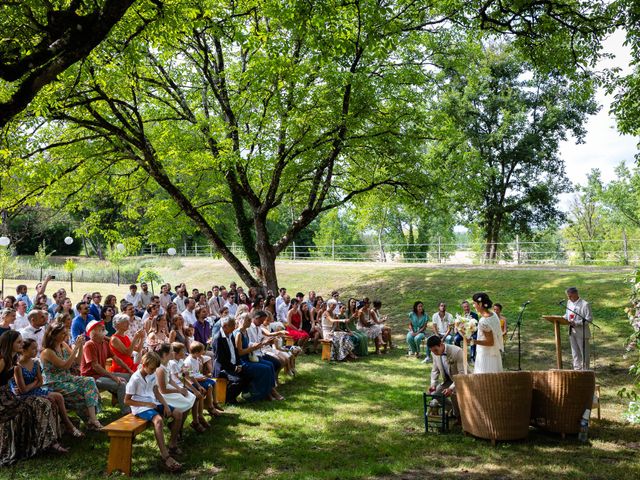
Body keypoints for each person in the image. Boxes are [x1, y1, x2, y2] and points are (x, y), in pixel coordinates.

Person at [0, 331, 67, 465]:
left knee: (45, 403)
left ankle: (46, 443)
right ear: (9, 344)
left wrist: (13, 390)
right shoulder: (2, 359)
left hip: (10, 396)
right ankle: (42, 444)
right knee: (39, 405)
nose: (22, 344)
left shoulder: (13, 359)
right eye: (18, 342)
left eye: (21, 341)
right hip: (3, 400)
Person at [11, 338, 83, 437]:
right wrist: (35, 382)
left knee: (58, 396)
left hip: (36, 390)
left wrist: (34, 384)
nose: (36, 351)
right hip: (25, 395)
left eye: (36, 348)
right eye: (33, 349)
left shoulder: (35, 363)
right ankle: (63, 428)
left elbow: (41, 382)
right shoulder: (18, 367)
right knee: (51, 400)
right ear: (24, 351)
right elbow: (23, 390)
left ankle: (67, 424)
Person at [124, 351, 183, 472]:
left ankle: (172, 444)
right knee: (158, 420)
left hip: (153, 403)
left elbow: (156, 391)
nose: (153, 371)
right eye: (151, 368)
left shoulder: (152, 374)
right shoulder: (135, 379)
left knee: (178, 413)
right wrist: (146, 403)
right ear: (144, 364)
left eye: (155, 369)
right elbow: (127, 401)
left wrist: (166, 405)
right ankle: (165, 456)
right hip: (140, 407)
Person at [40, 323, 103, 429]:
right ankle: (90, 422)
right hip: (54, 383)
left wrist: (81, 346)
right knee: (83, 393)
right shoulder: (47, 352)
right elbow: (65, 366)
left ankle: (92, 419)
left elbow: (77, 362)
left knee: (90, 381)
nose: (66, 335)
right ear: (54, 335)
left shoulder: (63, 345)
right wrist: (75, 348)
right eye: (63, 333)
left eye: (66, 332)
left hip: (67, 378)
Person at [81, 320, 130, 414]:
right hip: (91, 378)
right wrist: (113, 377)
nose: (104, 329)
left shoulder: (104, 343)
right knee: (121, 384)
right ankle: (127, 412)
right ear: (94, 332)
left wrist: (129, 370)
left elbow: (116, 358)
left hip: (101, 374)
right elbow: (95, 367)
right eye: (101, 328)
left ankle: (126, 401)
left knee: (130, 377)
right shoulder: (89, 345)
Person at [235, 313, 284, 401]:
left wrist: (262, 344)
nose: (250, 322)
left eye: (250, 320)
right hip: (242, 361)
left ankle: (269, 391)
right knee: (265, 368)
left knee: (270, 365)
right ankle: (264, 393)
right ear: (241, 321)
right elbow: (239, 353)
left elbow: (248, 344)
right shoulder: (238, 333)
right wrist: (254, 347)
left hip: (249, 357)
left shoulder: (245, 331)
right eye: (248, 320)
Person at [154, 344, 199, 433]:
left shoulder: (167, 364)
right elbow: (162, 390)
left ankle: (178, 427)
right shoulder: (160, 369)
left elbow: (170, 380)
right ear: (165, 354)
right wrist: (179, 390)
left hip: (168, 389)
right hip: (163, 395)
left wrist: (179, 388)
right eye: (171, 351)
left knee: (191, 398)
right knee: (186, 401)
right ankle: (176, 427)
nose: (173, 353)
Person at [427, 335, 465, 418]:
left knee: (454, 394)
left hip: (463, 380)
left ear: (441, 344)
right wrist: (433, 384)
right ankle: (451, 408)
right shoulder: (434, 353)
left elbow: (462, 373)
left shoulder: (457, 351)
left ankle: (459, 417)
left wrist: (451, 388)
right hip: (448, 380)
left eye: (436, 350)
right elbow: (435, 370)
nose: (435, 353)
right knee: (436, 394)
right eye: (432, 351)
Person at [213, 317, 248, 403]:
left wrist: (239, 364)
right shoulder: (218, 338)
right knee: (237, 381)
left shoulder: (230, 334)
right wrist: (234, 368)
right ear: (225, 326)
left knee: (248, 375)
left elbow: (235, 351)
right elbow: (221, 359)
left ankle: (233, 396)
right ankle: (227, 399)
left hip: (233, 365)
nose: (233, 330)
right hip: (223, 368)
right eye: (232, 327)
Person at [471, 293, 503, 374]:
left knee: (485, 379)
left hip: (486, 355)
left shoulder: (484, 321)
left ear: (480, 304)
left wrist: (474, 341)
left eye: (474, 303)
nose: (473, 305)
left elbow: (490, 342)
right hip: (494, 353)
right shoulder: (494, 314)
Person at [565, 287, 593, 371]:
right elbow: (567, 315)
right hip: (572, 331)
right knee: (575, 352)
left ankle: (585, 370)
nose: (569, 298)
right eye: (568, 296)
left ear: (576, 294)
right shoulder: (569, 302)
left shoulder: (585, 304)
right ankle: (577, 369)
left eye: (570, 296)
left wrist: (577, 323)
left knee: (584, 352)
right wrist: (562, 318)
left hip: (582, 332)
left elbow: (589, 319)